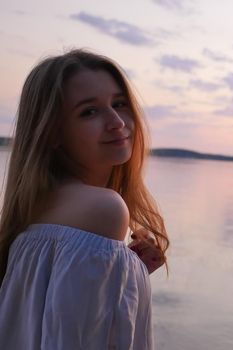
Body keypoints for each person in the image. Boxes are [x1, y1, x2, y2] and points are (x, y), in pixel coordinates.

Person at [0, 49, 170, 349]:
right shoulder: (103, 209)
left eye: (119, 104)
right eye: (89, 111)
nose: (117, 121)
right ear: (52, 132)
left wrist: (127, 273)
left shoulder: (34, 209)